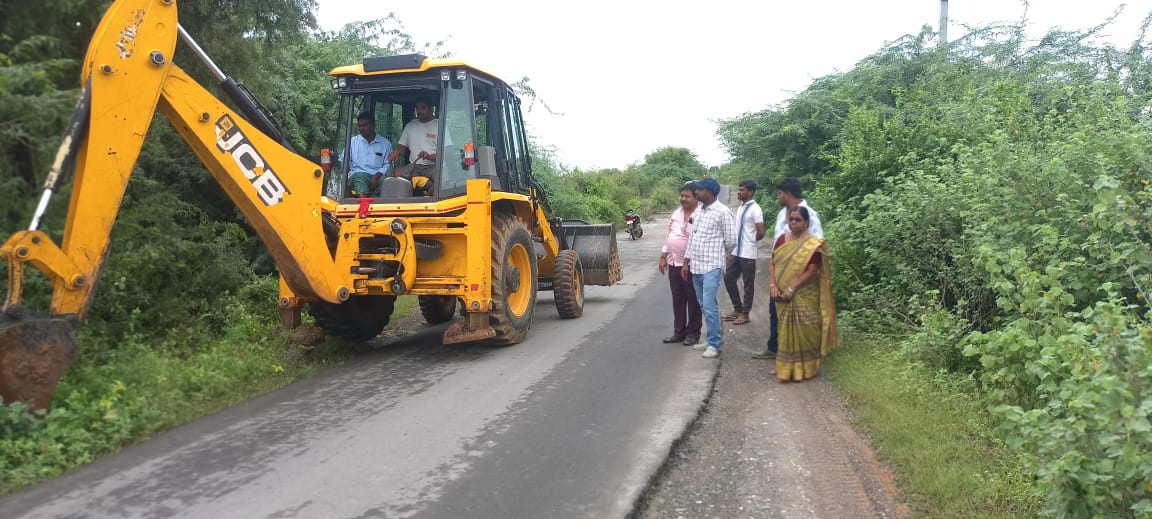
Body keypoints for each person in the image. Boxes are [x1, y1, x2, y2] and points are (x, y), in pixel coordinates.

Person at [754, 177, 823, 360]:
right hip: (779, 273)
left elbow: (815, 247)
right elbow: (778, 246)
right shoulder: (781, 214)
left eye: (780, 194)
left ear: (788, 194)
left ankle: (802, 356)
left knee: (800, 317)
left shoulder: (809, 214)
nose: (778, 197)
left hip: (800, 275)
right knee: (775, 311)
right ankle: (775, 348)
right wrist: (773, 281)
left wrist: (796, 281)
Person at [768, 206, 837, 381]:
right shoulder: (782, 239)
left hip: (804, 294)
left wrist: (792, 288)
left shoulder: (812, 244)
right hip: (781, 295)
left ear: (806, 222)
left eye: (797, 220)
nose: (793, 223)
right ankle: (785, 368)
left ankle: (807, 369)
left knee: (807, 330)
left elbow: (812, 270)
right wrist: (773, 286)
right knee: (784, 329)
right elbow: (773, 263)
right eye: (791, 219)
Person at [681, 178, 736, 359]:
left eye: (699, 190)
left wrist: (719, 257)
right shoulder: (700, 211)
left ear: (710, 192)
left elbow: (731, 241)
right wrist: (686, 262)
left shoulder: (722, 212)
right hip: (696, 266)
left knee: (710, 306)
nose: (696, 192)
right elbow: (693, 238)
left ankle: (714, 344)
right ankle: (711, 338)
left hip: (712, 266)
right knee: (704, 305)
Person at [658, 182, 703, 346]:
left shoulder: (701, 215)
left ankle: (693, 333)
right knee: (678, 299)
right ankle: (679, 332)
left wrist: (687, 262)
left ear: (696, 197)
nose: (683, 199)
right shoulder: (676, 213)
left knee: (693, 300)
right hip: (674, 262)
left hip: (692, 264)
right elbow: (669, 235)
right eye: (682, 196)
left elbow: (698, 240)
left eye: (687, 196)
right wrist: (663, 256)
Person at [722, 180, 765, 326]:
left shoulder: (755, 209)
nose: (738, 192)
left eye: (742, 190)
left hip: (748, 252)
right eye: (739, 189)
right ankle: (737, 309)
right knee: (728, 278)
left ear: (751, 192)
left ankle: (745, 314)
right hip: (736, 251)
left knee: (748, 284)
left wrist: (751, 241)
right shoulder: (741, 207)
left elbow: (761, 232)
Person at [388, 99, 438, 181]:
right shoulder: (410, 126)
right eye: (417, 108)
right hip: (414, 166)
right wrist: (396, 152)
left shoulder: (440, 125)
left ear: (431, 109)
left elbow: (446, 153)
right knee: (393, 176)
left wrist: (430, 157)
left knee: (440, 180)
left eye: (423, 107)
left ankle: (429, 190)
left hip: (434, 166)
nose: (419, 111)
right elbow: (401, 148)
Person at [347, 112, 393, 197]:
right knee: (360, 177)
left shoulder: (385, 144)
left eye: (365, 125)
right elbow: (343, 161)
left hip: (379, 176)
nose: (362, 128)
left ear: (373, 125)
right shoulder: (352, 142)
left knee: (389, 184)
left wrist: (377, 176)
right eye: (360, 126)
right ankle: (364, 202)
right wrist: (334, 158)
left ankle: (375, 202)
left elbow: (388, 164)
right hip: (358, 175)